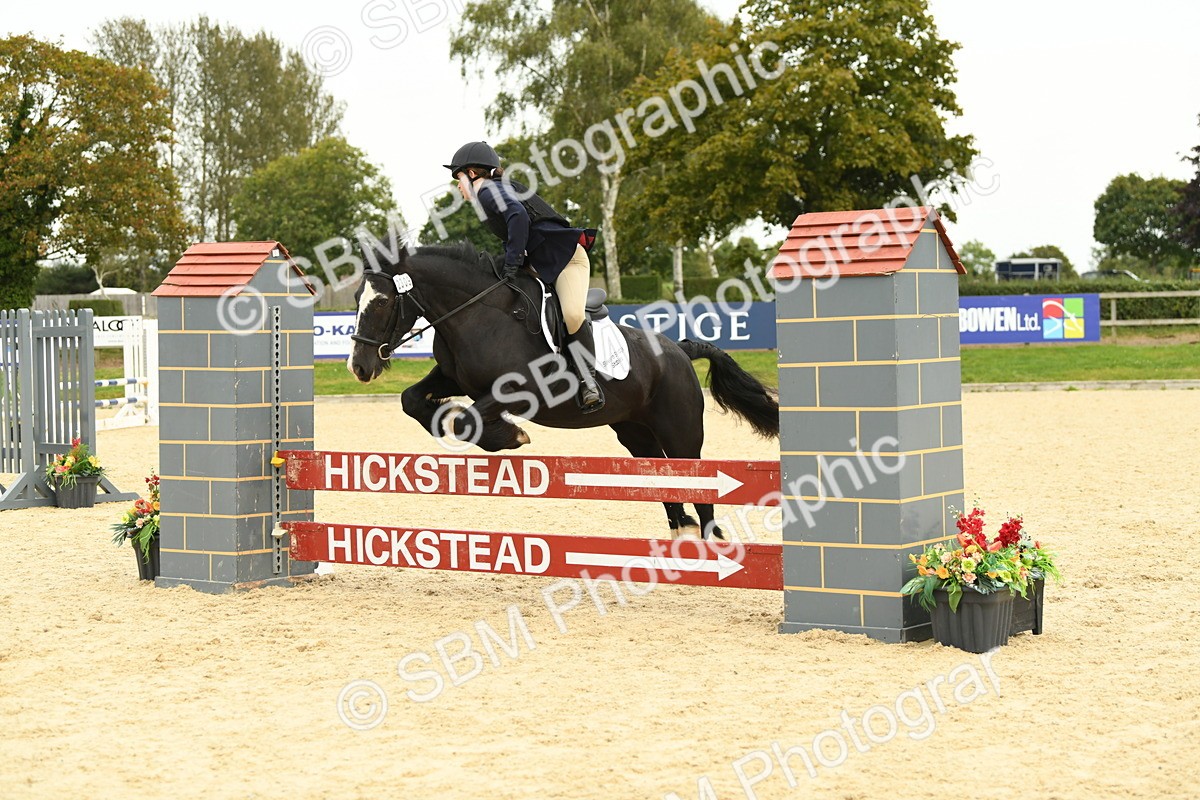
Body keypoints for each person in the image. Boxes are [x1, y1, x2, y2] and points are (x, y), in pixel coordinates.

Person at [444, 141, 604, 413]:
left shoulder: (488, 191)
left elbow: (518, 216)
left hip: (566, 261)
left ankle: (589, 381)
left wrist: (513, 262)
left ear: (472, 173)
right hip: (541, 264)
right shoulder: (494, 191)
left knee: (573, 314)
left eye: (458, 178)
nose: (458, 186)